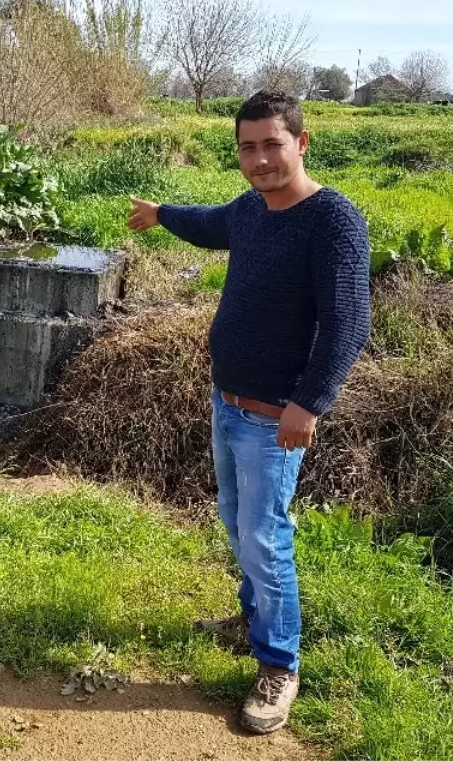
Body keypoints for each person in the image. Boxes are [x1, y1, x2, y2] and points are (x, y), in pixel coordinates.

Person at [128, 91, 370, 734]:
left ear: (302, 142)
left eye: (272, 144)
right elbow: (209, 222)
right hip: (227, 400)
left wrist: (308, 404)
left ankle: (279, 665)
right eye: (248, 146)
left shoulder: (333, 220)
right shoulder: (251, 209)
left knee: (266, 537)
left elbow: (348, 325)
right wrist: (160, 213)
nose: (260, 159)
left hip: (274, 416)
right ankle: (256, 616)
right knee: (239, 525)